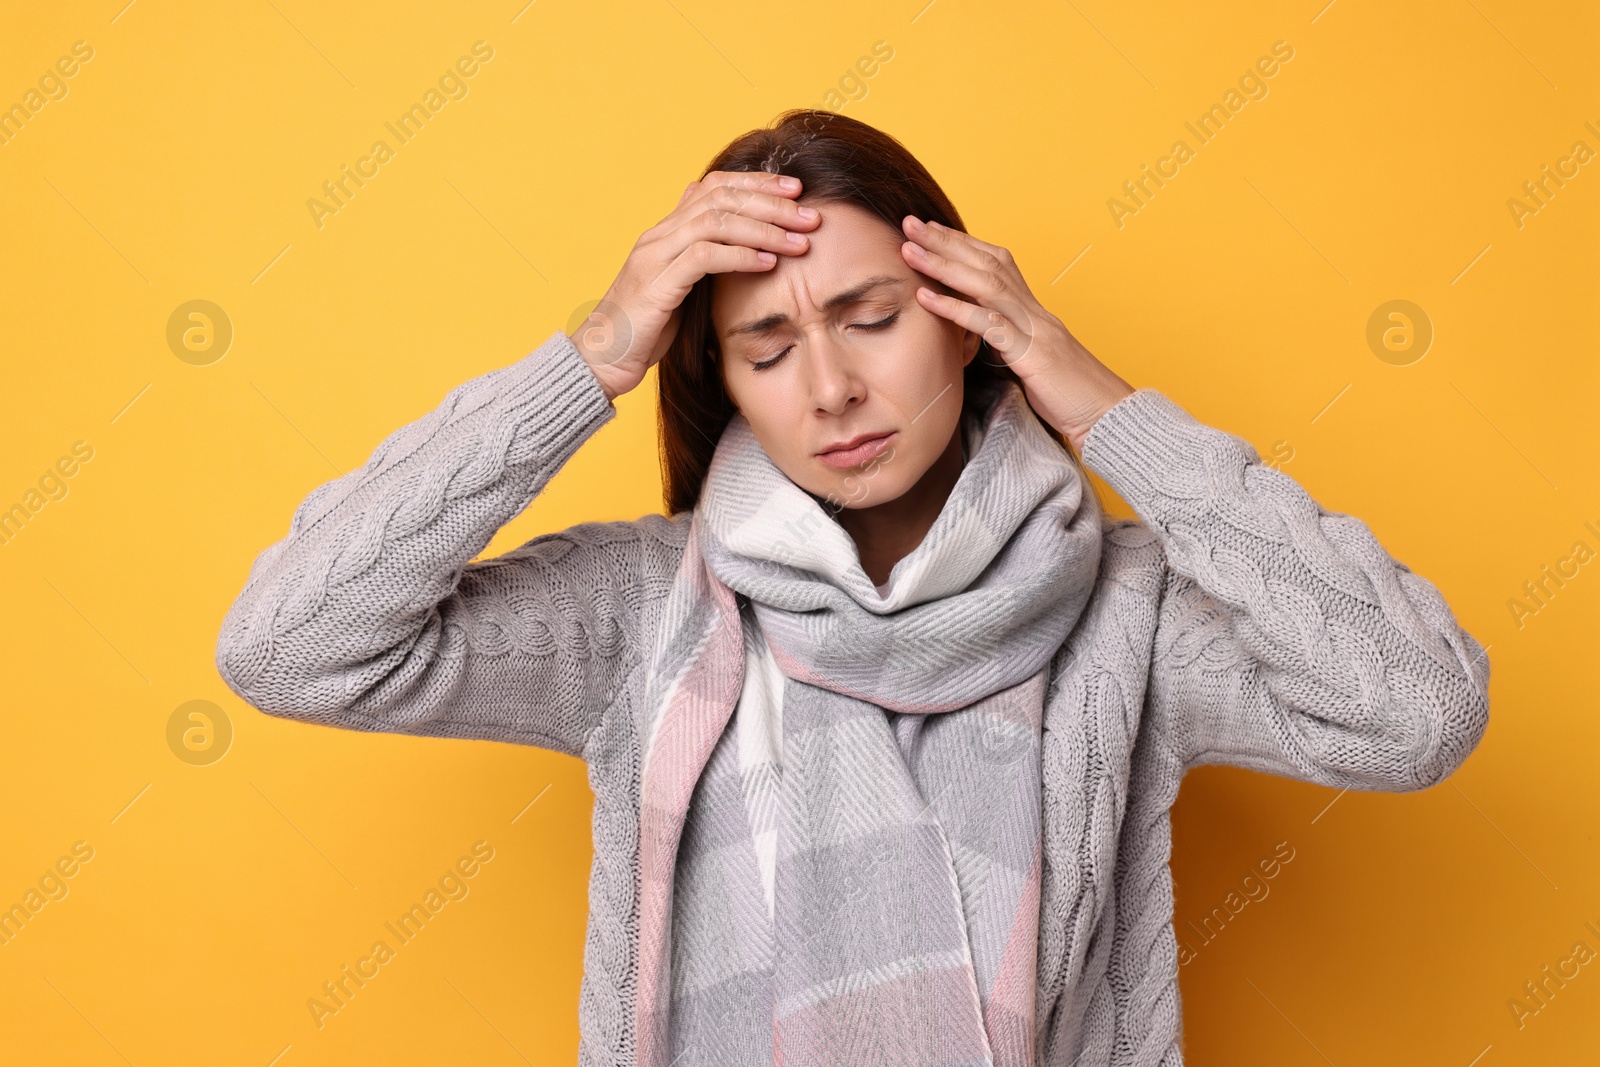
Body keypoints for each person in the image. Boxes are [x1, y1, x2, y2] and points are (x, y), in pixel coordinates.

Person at [215, 109, 1491, 1066]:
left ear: (966, 317)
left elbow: (1416, 710)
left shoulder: (1127, 613)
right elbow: (291, 644)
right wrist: (591, 356)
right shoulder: (641, 610)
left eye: (871, 318)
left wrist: (1106, 409)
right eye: (766, 347)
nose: (828, 388)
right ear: (722, 378)